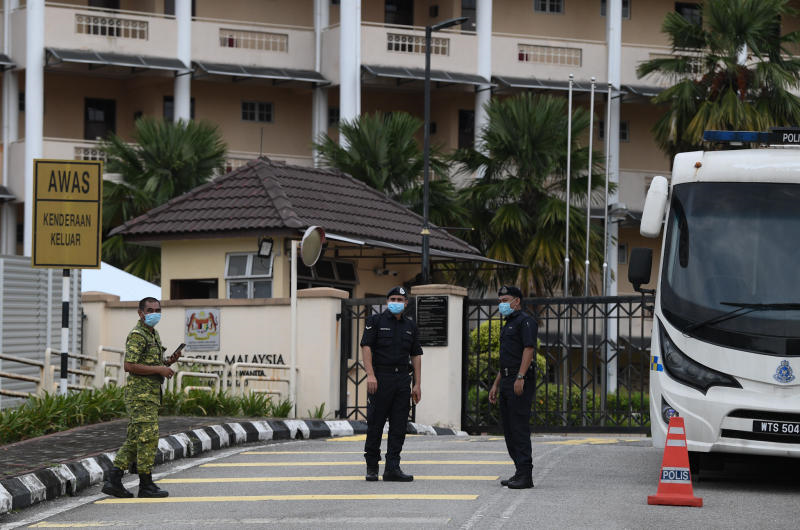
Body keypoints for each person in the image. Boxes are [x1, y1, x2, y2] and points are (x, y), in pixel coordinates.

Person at [101, 297, 181, 498]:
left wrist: (167, 362)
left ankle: (114, 479)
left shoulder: (153, 334)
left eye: (157, 310)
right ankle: (145, 484)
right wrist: (160, 369)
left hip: (150, 395)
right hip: (141, 396)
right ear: (140, 312)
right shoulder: (137, 335)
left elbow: (149, 362)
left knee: (136, 438)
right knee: (147, 438)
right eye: (150, 310)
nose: (154, 313)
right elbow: (130, 365)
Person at [360, 286, 423, 482]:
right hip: (381, 378)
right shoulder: (375, 321)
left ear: (406, 303)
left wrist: (417, 384)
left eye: (400, 299)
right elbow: (366, 347)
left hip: (402, 380)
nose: (396, 302)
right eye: (392, 298)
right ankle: (372, 466)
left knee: (398, 425)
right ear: (387, 302)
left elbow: (416, 355)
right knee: (375, 424)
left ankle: (392, 468)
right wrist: (370, 375)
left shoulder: (410, 326)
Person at [488, 285, 537, 489]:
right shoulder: (508, 324)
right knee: (508, 429)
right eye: (500, 301)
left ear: (517, 301)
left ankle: (526, 475)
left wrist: (520, 377)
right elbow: (507, 359)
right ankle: (519, 471)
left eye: (505, 300)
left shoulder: (526, 322)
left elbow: (528, 349)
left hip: (519, 380)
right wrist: (496, 384)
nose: (502, 304)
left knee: (518, 427)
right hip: (507, 379)